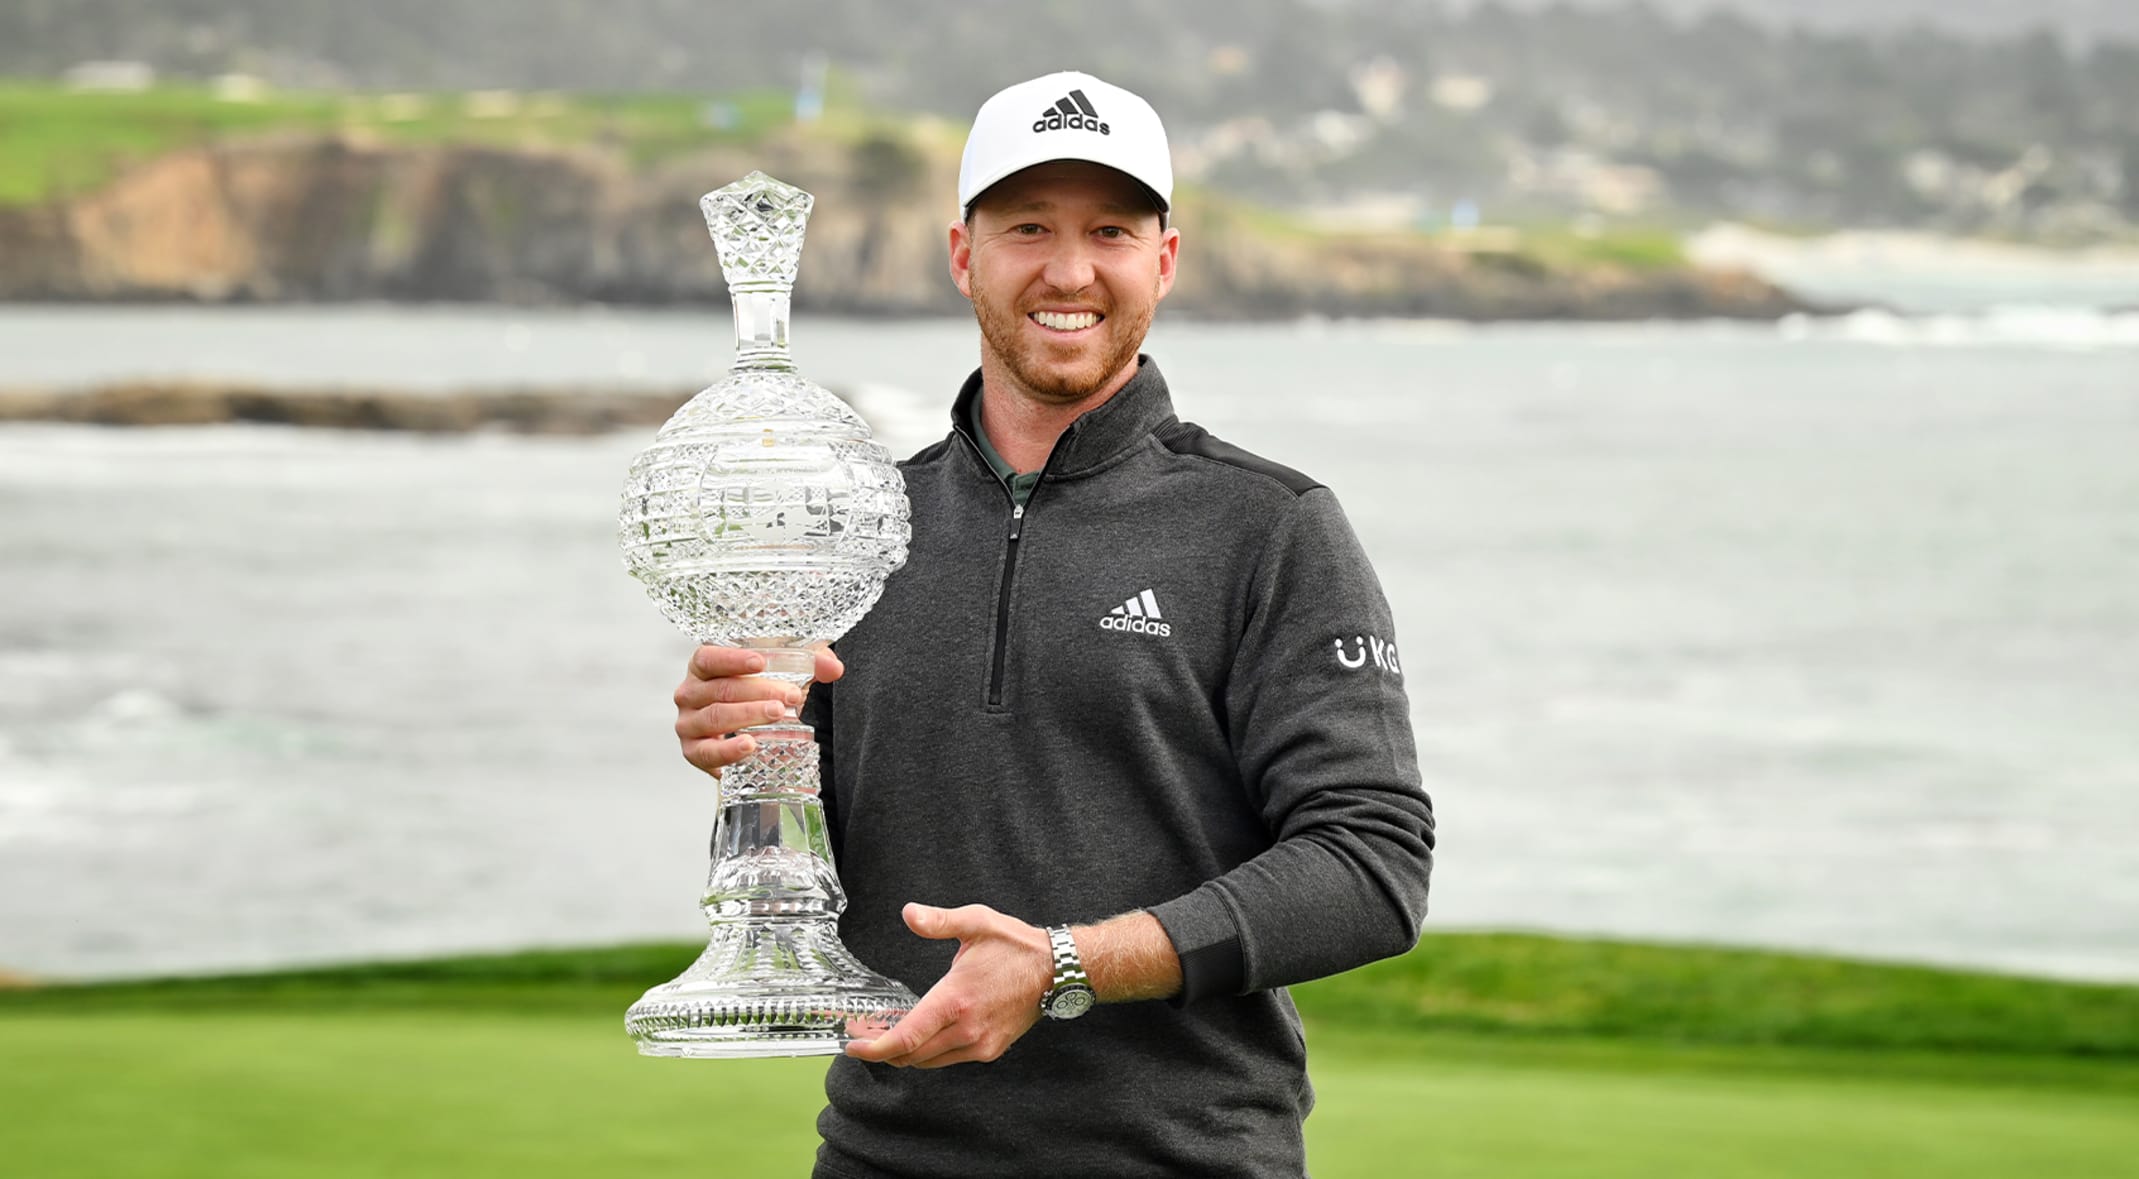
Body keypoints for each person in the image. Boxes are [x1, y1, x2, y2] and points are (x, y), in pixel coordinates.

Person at [671, 70, 1435, 1178]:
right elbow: (836, 847)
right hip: (883, 1155)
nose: (1068, 271)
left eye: (1110, 232)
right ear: (962, 253)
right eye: (1028, 226)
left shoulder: (1272, 528)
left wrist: (1069, 963)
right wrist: (745, 749)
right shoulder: (859, 527)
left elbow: (1370, 868)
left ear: (1163, 261)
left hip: (1183, 1160)